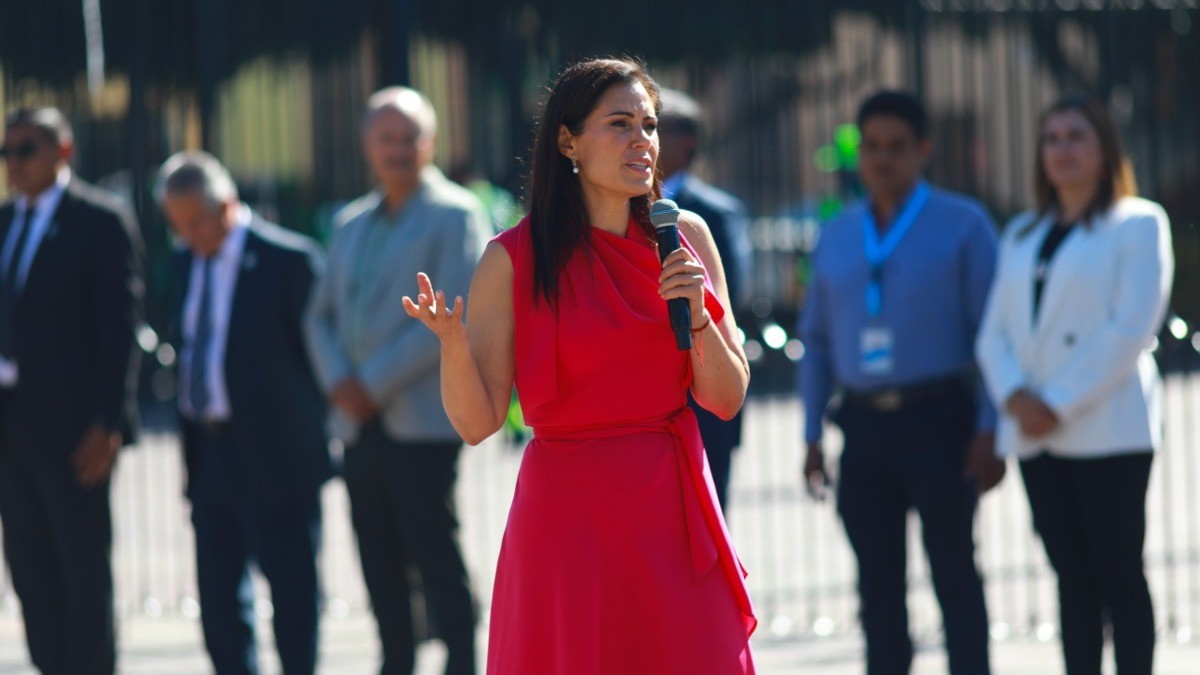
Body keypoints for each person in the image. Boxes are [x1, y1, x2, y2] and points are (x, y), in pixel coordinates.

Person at [403, 57, 756, 674]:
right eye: (619, 124)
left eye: (648, 125)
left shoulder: (687, 237)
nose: (642, 141)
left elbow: (726, 398)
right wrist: (453, 345)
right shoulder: (511, 259)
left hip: (671, 512)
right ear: (567, 141)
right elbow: (477, 422)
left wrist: (698, 315)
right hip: (567, 523)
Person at [798, 91, 1004, 675]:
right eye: (871, 147)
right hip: (863, 428)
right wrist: (812, 434)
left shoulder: (964, 225)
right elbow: (815, 344)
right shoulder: (836, 233)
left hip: (941, 418)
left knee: (955, 576)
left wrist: (990, 428)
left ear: (923, 150)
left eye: (896, 147)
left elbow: (995, 337)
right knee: (878, 588)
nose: (882, 159)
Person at [975, 94, 1173, 675]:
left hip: (1107, 428)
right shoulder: (1021, 232)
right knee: (1071, 579)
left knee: (1118, 575)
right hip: (1036, 432)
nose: (1062, 149)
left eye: (1076, 136)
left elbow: (1131, 326)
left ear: (1105, 148)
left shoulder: (1138, 222)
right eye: (1052, 138)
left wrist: (1056, 404)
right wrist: (1014, 396)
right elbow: (994, 334)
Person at [304, 86, 489, 675]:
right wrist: (339, 381)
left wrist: (368, 383)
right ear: (367, 145)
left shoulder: (456, 214)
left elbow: (454, 315)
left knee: (435, 552)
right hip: (358, 425)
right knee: (377, 557)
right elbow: (319, 314)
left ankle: (461, 658)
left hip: (421, 417)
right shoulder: (350, 222)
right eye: (387, 137)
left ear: (429, 142)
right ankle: (395, 661)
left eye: (409, 136)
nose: (399, 148)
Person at [157, 151, 332, 675]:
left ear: (227, 206)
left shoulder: (290, 260)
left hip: (280, 460)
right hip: (210, 454)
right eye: (176, 225)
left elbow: (319, 359)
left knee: (293, 597)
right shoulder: (188, 261)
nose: (186, 235)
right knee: (218, 602)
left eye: (193, 222)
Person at [0, 107, 143, 675]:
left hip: (74, 434)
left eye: (26, 149)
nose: (14, 163)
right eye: (6, 151)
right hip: (11, 432)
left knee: (82, 571)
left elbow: (120, 330)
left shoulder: (100, 221)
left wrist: (109, 423)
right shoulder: (5, 220)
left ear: (63, 152)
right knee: (30, 570)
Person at [658, 87, 753, 512]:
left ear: (688, 141)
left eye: (656, 127)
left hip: (705, 391)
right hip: (647, 401)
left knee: (708, 523)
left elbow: (731, 289)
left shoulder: (713, 212)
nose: (646, 140)